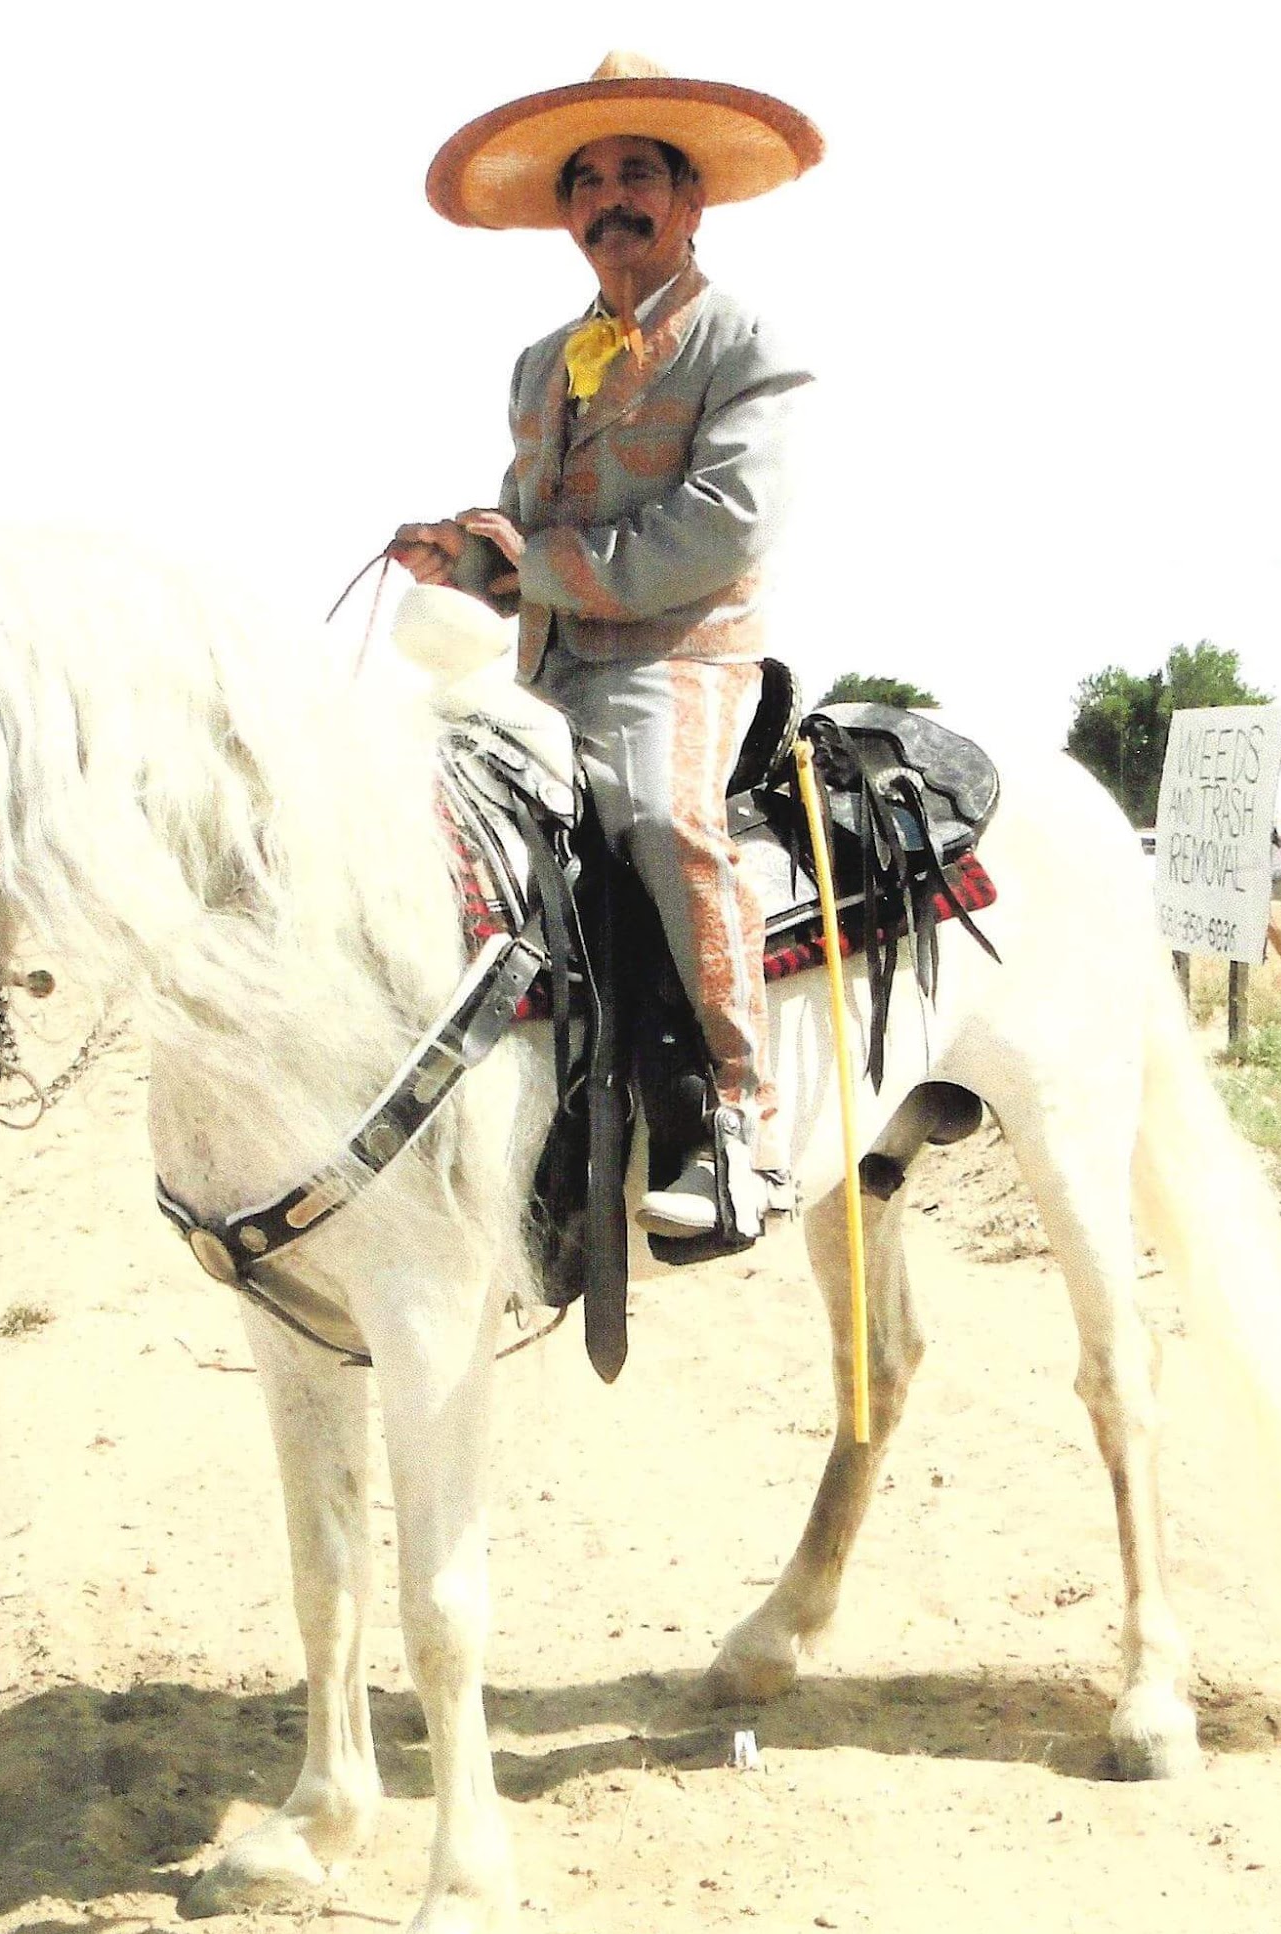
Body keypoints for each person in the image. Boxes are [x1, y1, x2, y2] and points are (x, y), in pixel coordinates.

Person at [391, 52, 823, 1238]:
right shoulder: (542, 363)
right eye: (586, 181)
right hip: (546, 667)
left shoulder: (743, 341)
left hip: (685, 654)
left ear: (690, 200)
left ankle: (739, 1122)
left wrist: (535, 565)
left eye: (637, 174)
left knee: (658, 816)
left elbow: (724, 524)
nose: (608, 199)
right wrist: (464, 558)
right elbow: (523, 534)